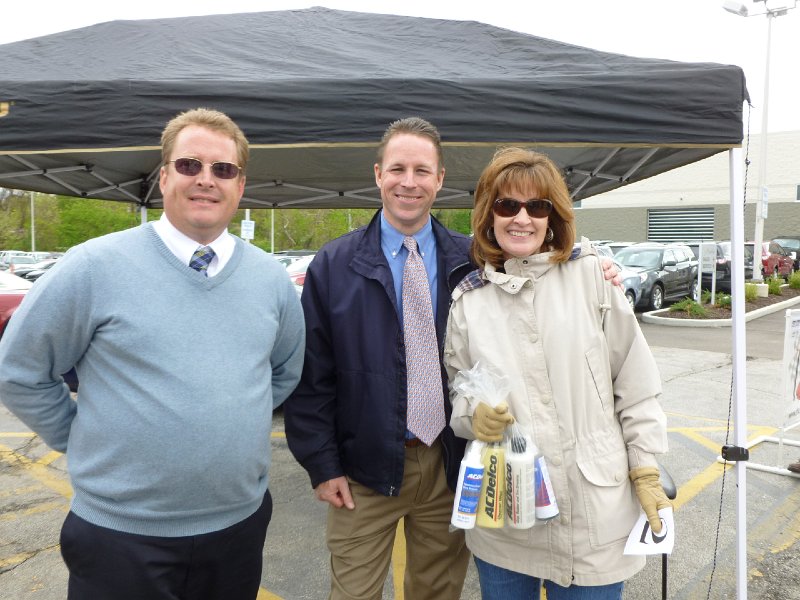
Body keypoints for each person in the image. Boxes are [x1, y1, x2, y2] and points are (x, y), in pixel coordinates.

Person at [283, 117, 620, 600]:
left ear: (440, 180)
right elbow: (312, 377)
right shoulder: (334, 265)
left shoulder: (475, 261)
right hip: (363, 469)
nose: (409, 182)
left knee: (437, 592)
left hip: (451, 464)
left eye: (423, 170)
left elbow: (541, 267)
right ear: (378, 174)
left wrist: (596, 262)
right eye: (398, 168)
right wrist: (322, 463)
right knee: (352, 593)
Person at [0, 108, 305, 600]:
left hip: (236, 527)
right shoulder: (93, 266)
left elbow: (285, 371)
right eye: (189, 165)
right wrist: (76, 438)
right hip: (120, 536)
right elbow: (19, 370)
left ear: (240, 186)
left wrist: (224, 419)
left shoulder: (271, 280)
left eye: (222, 169)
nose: (206, 180)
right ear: (163, 177)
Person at [443, 147, 670, 600]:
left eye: (537, 206)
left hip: (595, 516)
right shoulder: (468, 304)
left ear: (554, 216)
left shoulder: (592, 279)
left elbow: (636, 387)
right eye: (507, 205)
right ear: (489, 214)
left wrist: (645, 467)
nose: (521, 218)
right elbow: (460, 393)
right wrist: (474, 417)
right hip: (508, 518)